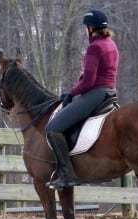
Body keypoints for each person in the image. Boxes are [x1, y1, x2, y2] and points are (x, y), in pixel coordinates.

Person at [45, 9, 120, 189]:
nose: (84, 31)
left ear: (92, 28)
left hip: (95, 94)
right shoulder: (110, 44)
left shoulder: (95, 47)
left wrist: (71, 93)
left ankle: (67, 175)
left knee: (53, 128)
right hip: (110, 92)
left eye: (86, 28)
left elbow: (88, 81)